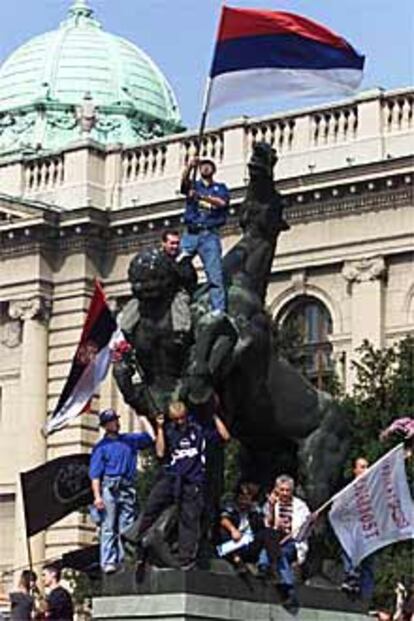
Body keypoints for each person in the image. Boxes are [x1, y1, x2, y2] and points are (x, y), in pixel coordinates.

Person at [136, 400, 230, 569]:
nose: (180, 422)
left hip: (192, 480)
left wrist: (214, 416)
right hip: (172, 477)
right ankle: (139, 540)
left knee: (189, 518)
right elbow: (160, 452)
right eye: (176, 419)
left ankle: (186, 559)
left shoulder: (197, 430)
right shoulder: (170, 430)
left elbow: (224, 437)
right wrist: (160, 428)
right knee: (151, 505)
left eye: (182, 418)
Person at [89, 408, 155, 573]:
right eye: (112, 421)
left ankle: (124, 559)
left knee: (127, 526)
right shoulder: (101, 447)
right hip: (110, 486)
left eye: (116, 420)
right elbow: (95, 475)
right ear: (105, 425)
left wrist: (143, 417)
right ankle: (108, 561)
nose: (116, 423)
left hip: (127, 486)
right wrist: (97, 497)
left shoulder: (129, 440)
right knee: (109, 526)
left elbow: (150, 438)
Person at [180, 157, 230, 313]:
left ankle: (218, 309)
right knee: (175, 263)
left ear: (213, 170)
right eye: (202, 166)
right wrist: (189, 166)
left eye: (208, 166)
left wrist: (201, 197)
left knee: (215, 274)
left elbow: (222, 203)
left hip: (209, 235)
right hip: (191, 234)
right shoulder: (194, 185)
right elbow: (183, 185)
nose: (205, 168)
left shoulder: (220, 188)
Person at [263, 474, 311, 613]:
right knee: (275, 551)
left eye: (287, 490)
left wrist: (309, 522)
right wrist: (272, 509)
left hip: (292, 543)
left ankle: (271, 571)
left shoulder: (300, 506)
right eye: (282, 490)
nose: (284, 493)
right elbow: (267, 525)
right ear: (277, 490)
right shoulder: (271, 503)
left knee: (280, 553)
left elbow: (304, 531)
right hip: (274, 541)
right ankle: (288, 589)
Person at [218, 482, 281, 576]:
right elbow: (223, 519)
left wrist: (272, 507)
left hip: (250, 543)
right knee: (223, 530)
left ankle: (272, 566)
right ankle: (237, 560)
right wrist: (233, 530)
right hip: (233, 545)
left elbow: (266, 523)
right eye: (242, 498)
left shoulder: (254, 510)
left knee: (270, 533)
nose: (244, 501)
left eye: (247, 498)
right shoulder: (231, 507)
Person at [341, 456, 375, 599]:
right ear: (355, 470)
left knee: (368, 565)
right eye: (361, 467)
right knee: (350, 552)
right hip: (352, 530)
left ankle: (366, 596)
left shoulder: (374, 489)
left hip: (370, 532)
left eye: (367, 466)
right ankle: (352, 576)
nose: (365, 470)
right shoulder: (348, 489)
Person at [160, 229, 197, 339]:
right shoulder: (157, 259)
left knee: (179, 299)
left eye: (177, 243)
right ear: (164, 243)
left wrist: (175, 269)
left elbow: (190, 277)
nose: (175, 246)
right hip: (158, 292)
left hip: (177, 291)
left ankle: (181, 331)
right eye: (172, 243)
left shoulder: (183, 259)